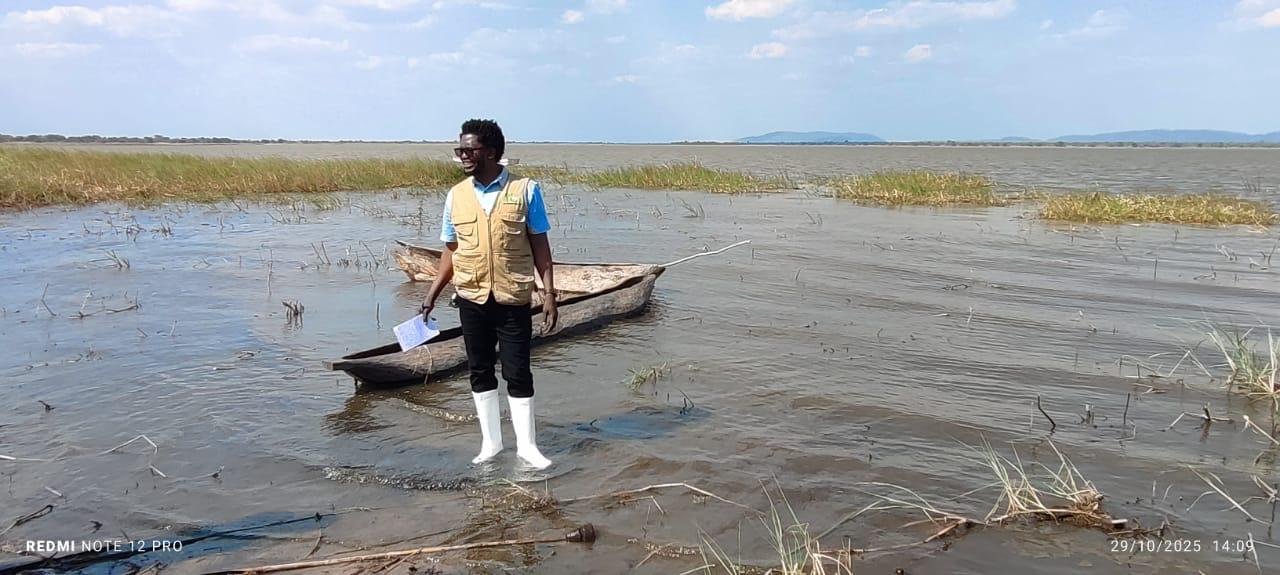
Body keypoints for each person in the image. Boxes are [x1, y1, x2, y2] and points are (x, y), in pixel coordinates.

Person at [420, 119, 558, 469]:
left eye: (470, 150)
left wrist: (549, 294)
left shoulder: (525, 190)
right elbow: (451, 250)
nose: (463, 156)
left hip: (513, 298)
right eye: (460, 150)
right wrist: (432, 293)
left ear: (492, 152)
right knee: (480, 370)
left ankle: (527, 447)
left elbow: (540, 246)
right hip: (471, 298)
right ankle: (491, 444)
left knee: (518, 372)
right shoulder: (456, 195)